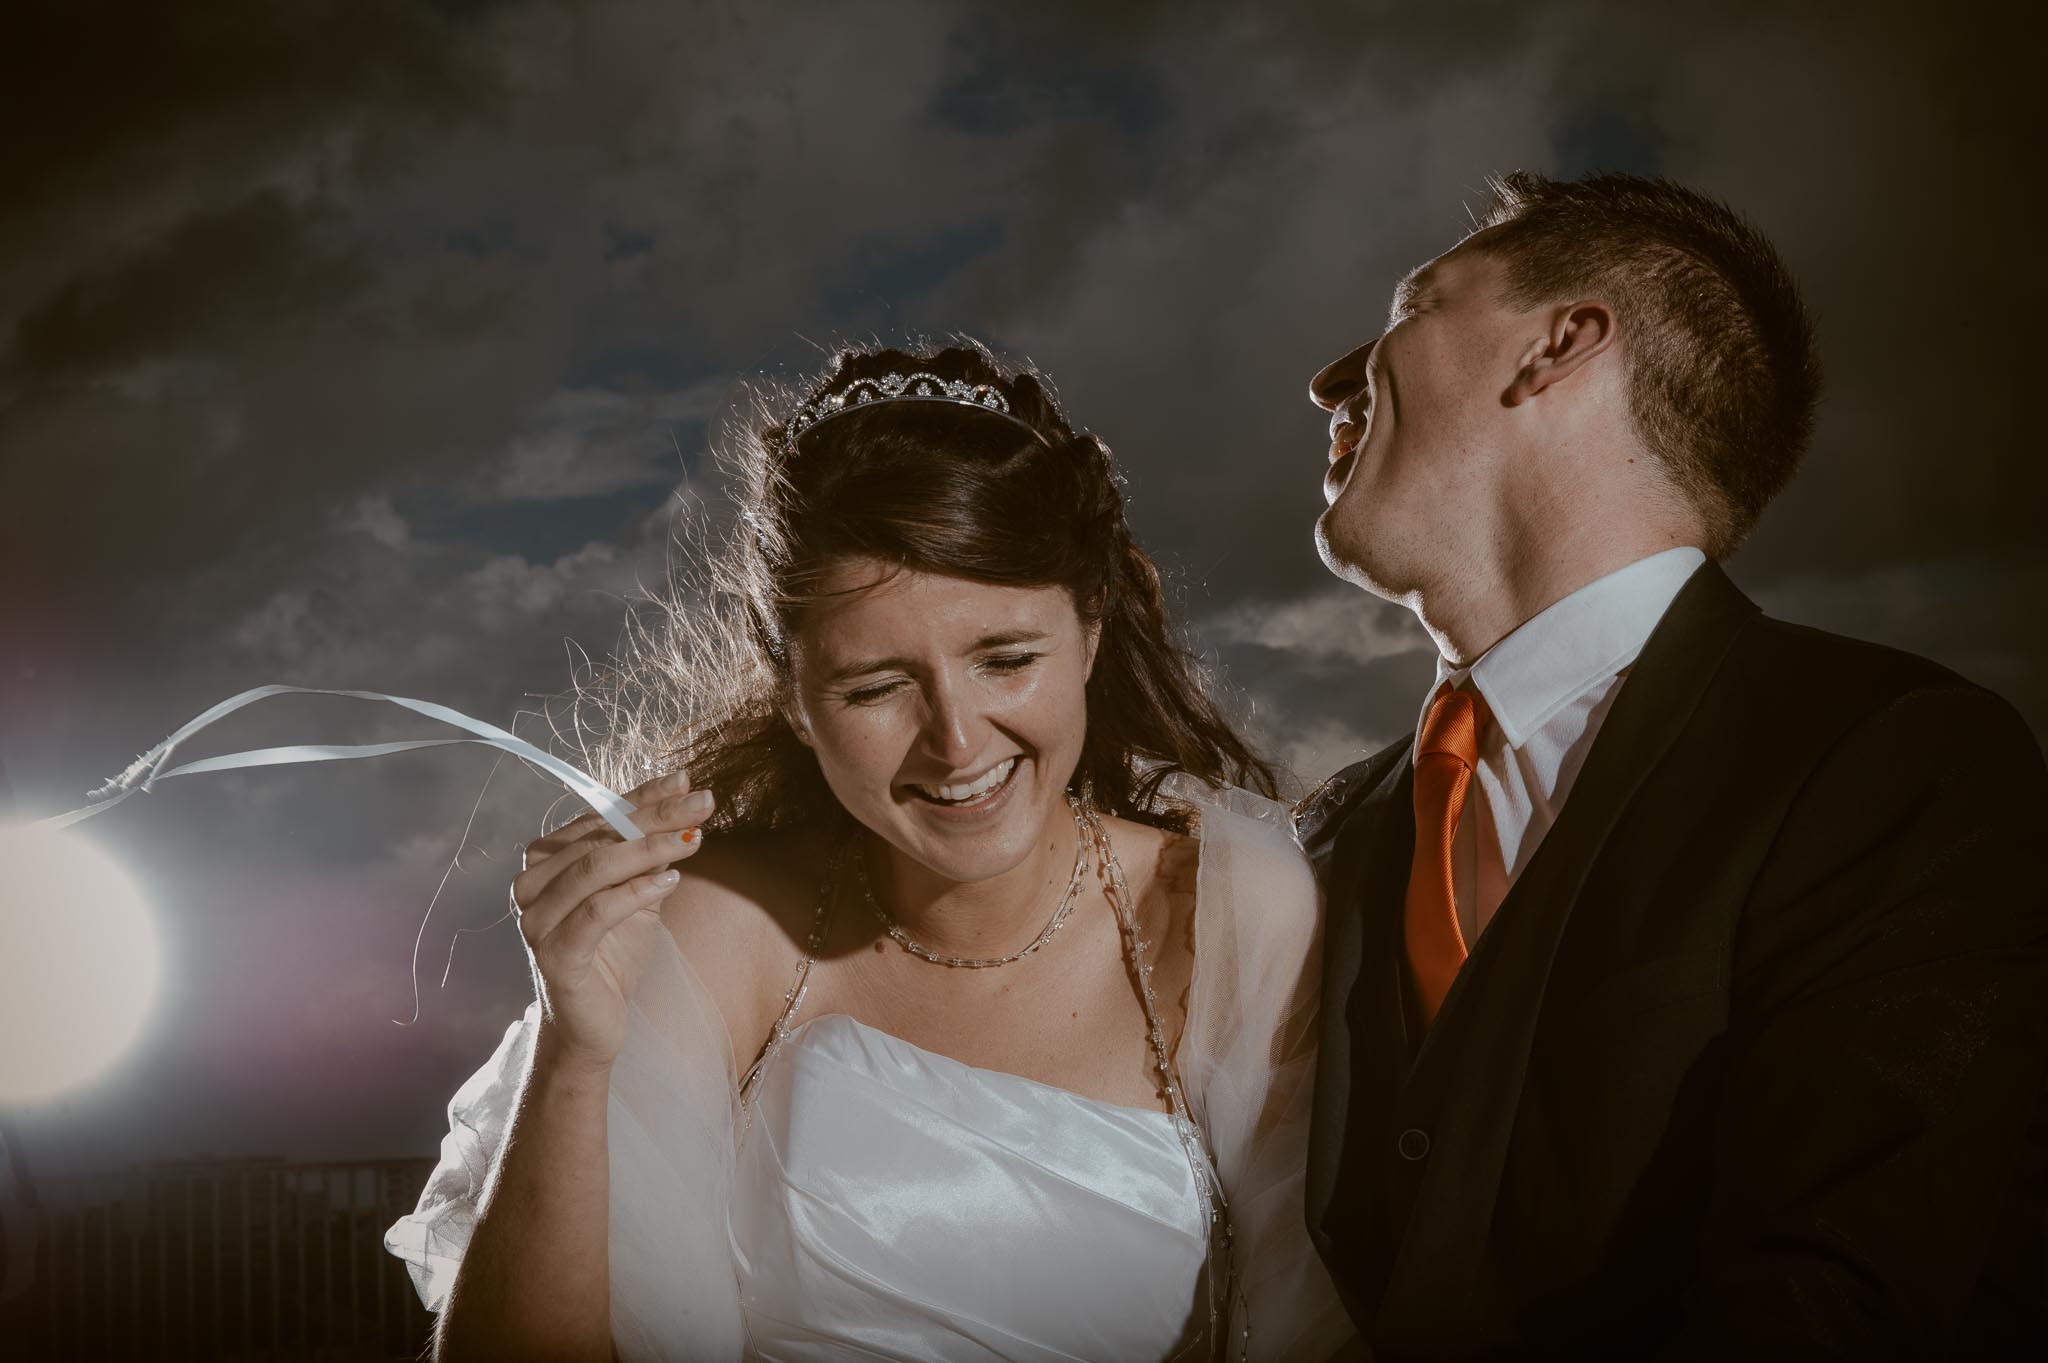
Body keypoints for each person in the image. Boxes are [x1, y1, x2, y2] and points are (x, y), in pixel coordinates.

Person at [387, 341, 1355, 1361]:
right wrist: (574, 1049)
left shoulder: (1236, 912)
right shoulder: (714, 928)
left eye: (1005, 658)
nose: (957, 741)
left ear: (1090, 632)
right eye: (875, 687)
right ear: (797, 703)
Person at [1296, 169, 2048, 1358]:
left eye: (1410, 307)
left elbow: (1845, 1300)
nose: (1327, 379)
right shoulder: (1338, 824)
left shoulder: (1890, 763)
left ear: (1556, 346)